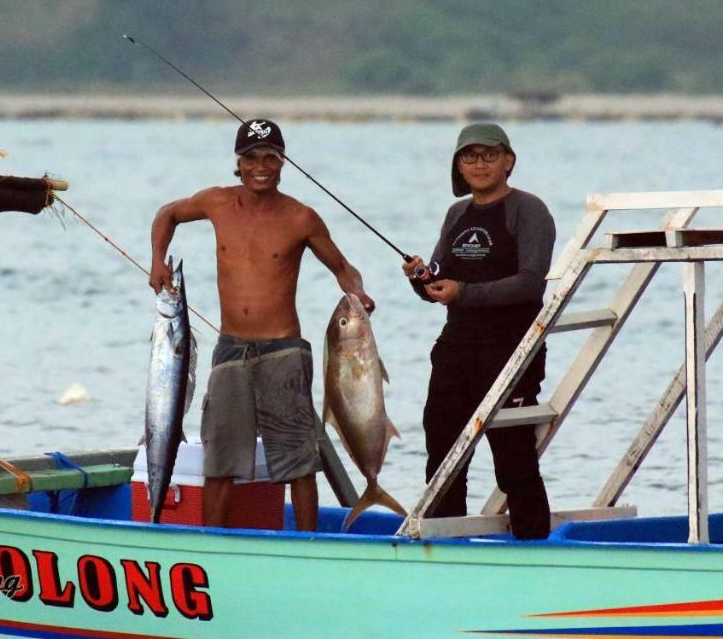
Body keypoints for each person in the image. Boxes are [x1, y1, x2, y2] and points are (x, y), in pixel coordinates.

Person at [149, 118, 373, 531]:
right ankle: (214, 546)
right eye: (251, 158)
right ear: (239, 162)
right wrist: (158, 259)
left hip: (283, 350)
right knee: (220, 462)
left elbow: (342, 267)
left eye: (270, 157)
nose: (261, 166)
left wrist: (356, 294)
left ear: (282, 161)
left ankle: (307, 549)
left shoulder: (301, 217)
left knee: (298, 461)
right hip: (231, 349)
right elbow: (167, 214)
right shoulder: (216, 202)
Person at [402, 122, 555, 539]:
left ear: (508, 161)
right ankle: (449, 547)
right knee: (443, 458)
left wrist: (463, 292)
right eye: (469, 156)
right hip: (456, 350)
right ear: (458, 165)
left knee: (514, 460)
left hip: (512, 352)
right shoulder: (457, 214)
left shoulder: (529, 210)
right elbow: (441, 284)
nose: (480, 163)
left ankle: (534, 546)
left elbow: (530, 281)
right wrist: (422, 279)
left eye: (490, 154)